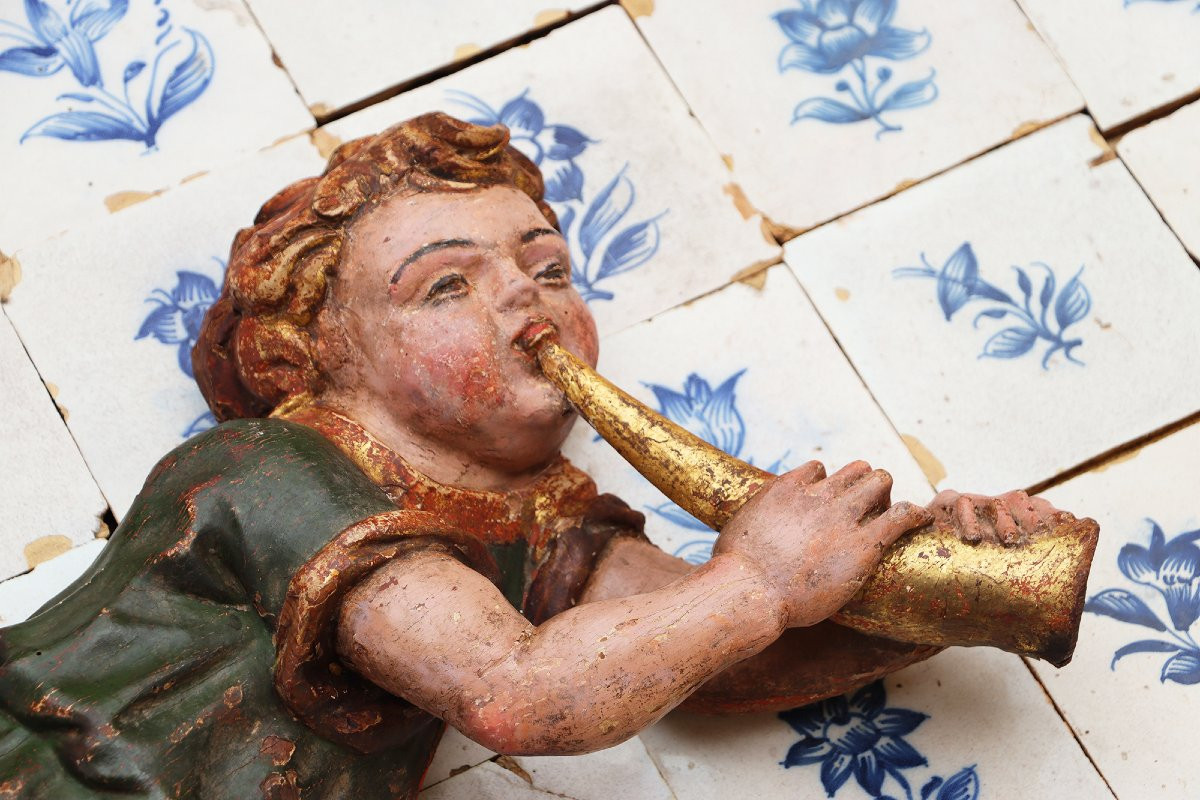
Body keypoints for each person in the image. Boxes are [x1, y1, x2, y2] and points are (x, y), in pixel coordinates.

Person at [0, 113, 1065, 799]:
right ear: (314, 353)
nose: (525, 295)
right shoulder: (271, 469)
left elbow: (721, 654)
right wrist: (760, 580)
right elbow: (514, 691)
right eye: (445, 285)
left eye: (548, 266)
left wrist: (947, 582)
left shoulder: (537, 520)